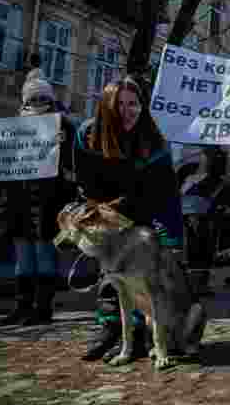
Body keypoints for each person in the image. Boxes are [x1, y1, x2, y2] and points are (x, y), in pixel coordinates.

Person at [75, 76, 182, 361]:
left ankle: (146, 335)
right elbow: (84, 180)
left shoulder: (154, 140)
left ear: (142, 106)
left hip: (141, 213)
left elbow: (167, 192)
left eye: (133, 103)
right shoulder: (88, 135)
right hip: (105, 213)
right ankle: (111, 330)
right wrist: (93, 210)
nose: (127, 110)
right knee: (111, 275)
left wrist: (172, 236)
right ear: (107, 107)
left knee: (140, 277)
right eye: (119, 104)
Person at [0, 69, 76, 327]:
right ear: (25, 100)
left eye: (43, 98)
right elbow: (5, 165)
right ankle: (21, 306)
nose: (38, 103)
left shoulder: (63, 124)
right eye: (33, 98)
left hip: (47, 200)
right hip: (19, 198)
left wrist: (61, 145)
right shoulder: (15, 125)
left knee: (43, 253)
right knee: (23, 256)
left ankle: (42, 308)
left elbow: (71, 165)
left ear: (50, 99)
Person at [180, 146, 230, 297]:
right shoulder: (202, 178)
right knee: (199, 252)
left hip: (196, 216)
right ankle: (197, 286)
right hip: (197, 217)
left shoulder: (190, 176)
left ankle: (197, 286)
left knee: (200, 252)